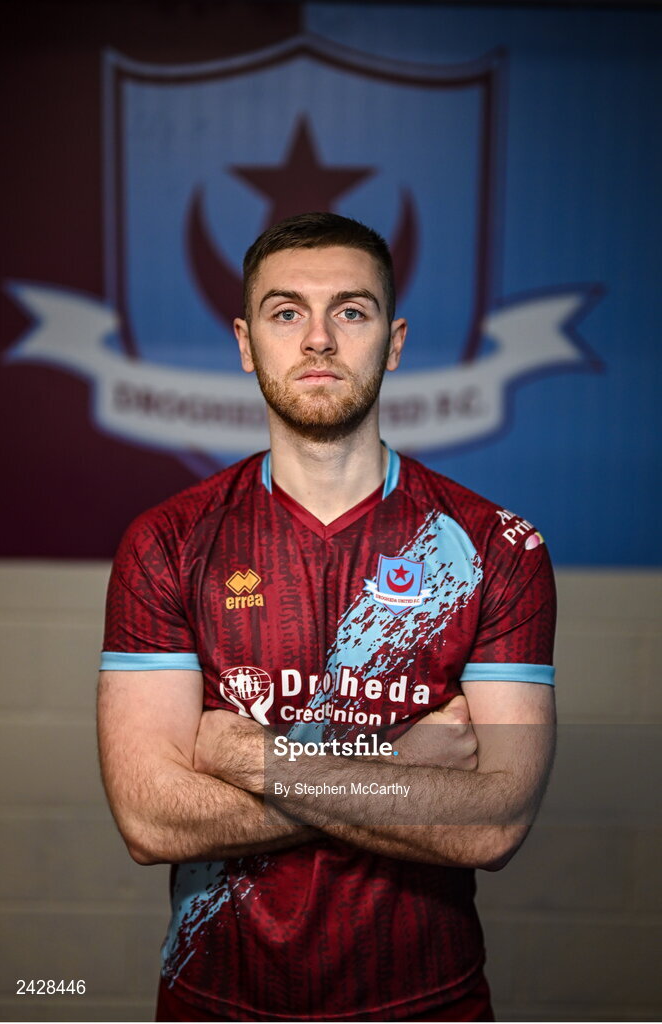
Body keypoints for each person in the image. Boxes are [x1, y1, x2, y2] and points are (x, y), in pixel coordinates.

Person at [97, 212, 556, 1022]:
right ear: (246, 343)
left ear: (395, 340)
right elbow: (149, 820)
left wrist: (251, 758)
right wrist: (397, 766)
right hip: (216, 1003)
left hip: (428, 1003)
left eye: (351, 311)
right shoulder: (165, 543)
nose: (318, 340)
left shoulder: (495, 547)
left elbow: (495, 824)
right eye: (286, 313)